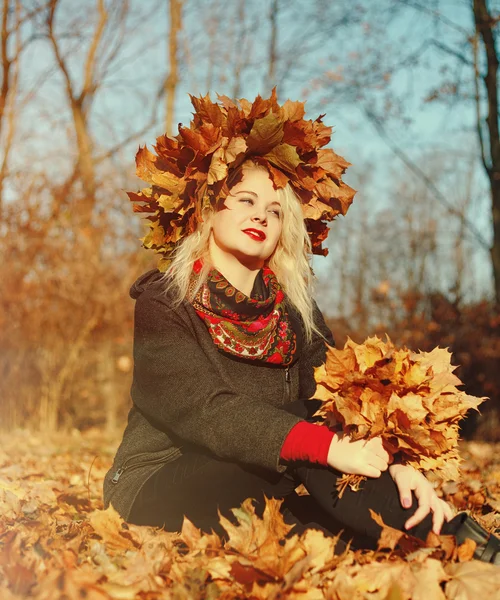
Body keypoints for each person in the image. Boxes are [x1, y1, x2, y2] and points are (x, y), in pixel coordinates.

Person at [103, 89, 499, 563]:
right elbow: (205, 410)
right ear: (208, 211)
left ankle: (456, 543)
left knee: (327, 534)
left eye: (275, 210)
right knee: (309, 438)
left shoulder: (297, 312)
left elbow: (331, 402)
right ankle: (461, 540)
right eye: (245, 199)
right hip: (159, 479)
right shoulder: (163, 302)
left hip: (263, 472)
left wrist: (394, 464)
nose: (260, 216)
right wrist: (326, 447)